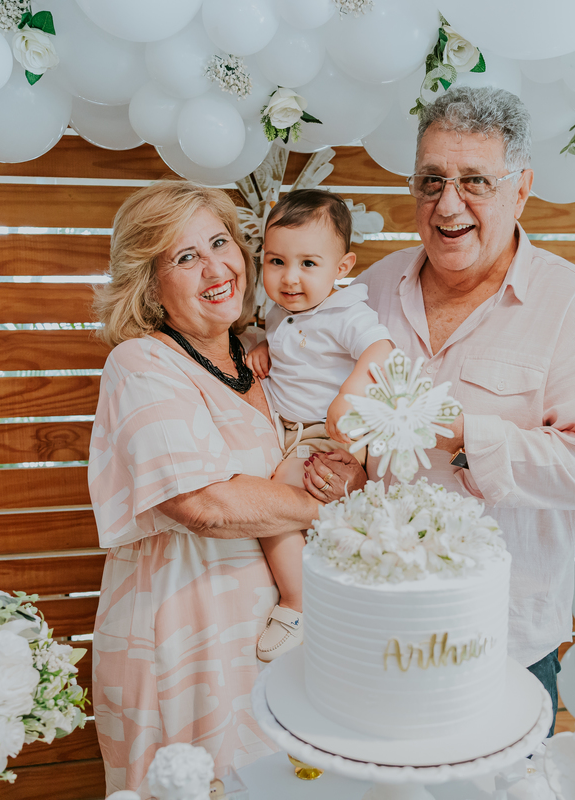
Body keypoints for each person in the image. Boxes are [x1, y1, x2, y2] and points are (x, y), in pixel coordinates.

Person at [354, 86, 575, 730]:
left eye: (475, 181)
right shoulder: (370, 290)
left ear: (521, 188)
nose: (448, 205)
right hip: (376, 627)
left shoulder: (571, 306)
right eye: (431, 181)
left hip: (503, 644)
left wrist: (460, 435)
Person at [88, 181, 367, 794]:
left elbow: (320, 448)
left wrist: (349, 476)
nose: (216, 268)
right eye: (186, 257)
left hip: (279, 638)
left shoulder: (267, 355)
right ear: (149, 283)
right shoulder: (141, 364)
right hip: (187, 638)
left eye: (220, 243)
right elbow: (203, 502)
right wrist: (330, 513)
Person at [242, 189, 395, 663]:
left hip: (325, 434)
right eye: (276, 262)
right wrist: (266, 347)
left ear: (342, 267)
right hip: (290, 430)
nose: (289, 277)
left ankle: (297, 604)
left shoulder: (346, 313)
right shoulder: (280, 312)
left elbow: (382, 351)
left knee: (274, 504)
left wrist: (350, 392)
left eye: (308, 264)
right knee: (287, 512)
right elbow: (292, 345)